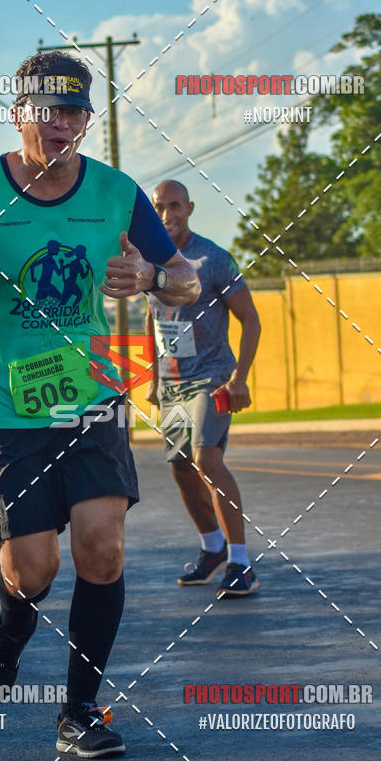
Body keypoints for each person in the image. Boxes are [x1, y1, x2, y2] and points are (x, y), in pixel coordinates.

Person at [0, 51, 200, 759]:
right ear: (17, 112)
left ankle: (80, 710)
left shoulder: (115, 191)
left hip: (90, 398)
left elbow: (187, 281)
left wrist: (148, 274)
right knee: (35, 570)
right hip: (7, 407)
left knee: (103, 547)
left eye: (75, 110)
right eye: (47, 109)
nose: (61, 123)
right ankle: (10, 632)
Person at [145, 179, 261, 597]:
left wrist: (240, 377)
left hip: (212, 376)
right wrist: (155, 379)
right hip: (173, 383)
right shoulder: (150, 260)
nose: (166, 215)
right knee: (181, 466)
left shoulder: (213, 259)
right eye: (159, 207)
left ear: (189, 208)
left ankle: (241, 563)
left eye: (174, 206)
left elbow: (250, 318)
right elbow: (152, 318)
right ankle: (212, 548)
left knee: (205, 457)